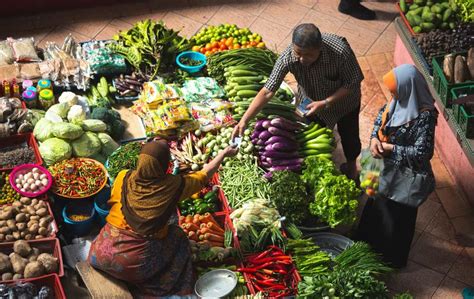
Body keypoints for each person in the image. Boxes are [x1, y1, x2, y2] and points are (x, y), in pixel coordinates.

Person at [88, 139, 238, 297]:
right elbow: (203, 176)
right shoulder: (173, 186)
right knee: (177, 235)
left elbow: (114, 202)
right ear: (165, 166)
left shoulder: (123, 177)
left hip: (99, 255)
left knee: (165, 226)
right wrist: (222, 154)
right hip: (131, 267)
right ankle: (160, 283)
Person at [232, 23, 364, 181]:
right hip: (311, 101)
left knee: (350, 138)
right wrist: (244, 120)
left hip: (344, 102)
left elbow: (353, 82)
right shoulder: (288, 57)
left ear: (319, 48)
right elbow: (268, 91)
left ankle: (351, 168)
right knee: (311, 133)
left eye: (308, 55)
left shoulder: (339, 51)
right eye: (298, 53)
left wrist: (325, 102)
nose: (302, 59)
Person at [357, 64, 437, 268]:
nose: (391, 95)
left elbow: (422, 153)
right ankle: (366, 245)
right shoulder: (397, 101)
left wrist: (392, 148)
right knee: (376, 204)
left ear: (408, 89)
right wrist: (375, 138)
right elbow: (379, 120)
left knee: (396, 217)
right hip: (382, 168)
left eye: (395, 91)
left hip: (403, 175)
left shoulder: (425, 116)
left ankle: (391, 259)